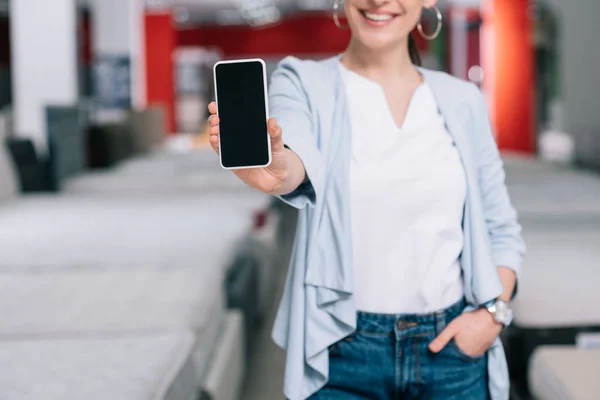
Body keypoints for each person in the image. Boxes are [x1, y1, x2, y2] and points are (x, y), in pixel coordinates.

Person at [207, 0, 525, 399]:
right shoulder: (303, 80)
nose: (378, 1)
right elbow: (298, 158)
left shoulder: (462, 99)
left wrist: (492, 317)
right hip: (343, 352)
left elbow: (501, 228)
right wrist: (278, 170)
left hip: (453, 352)